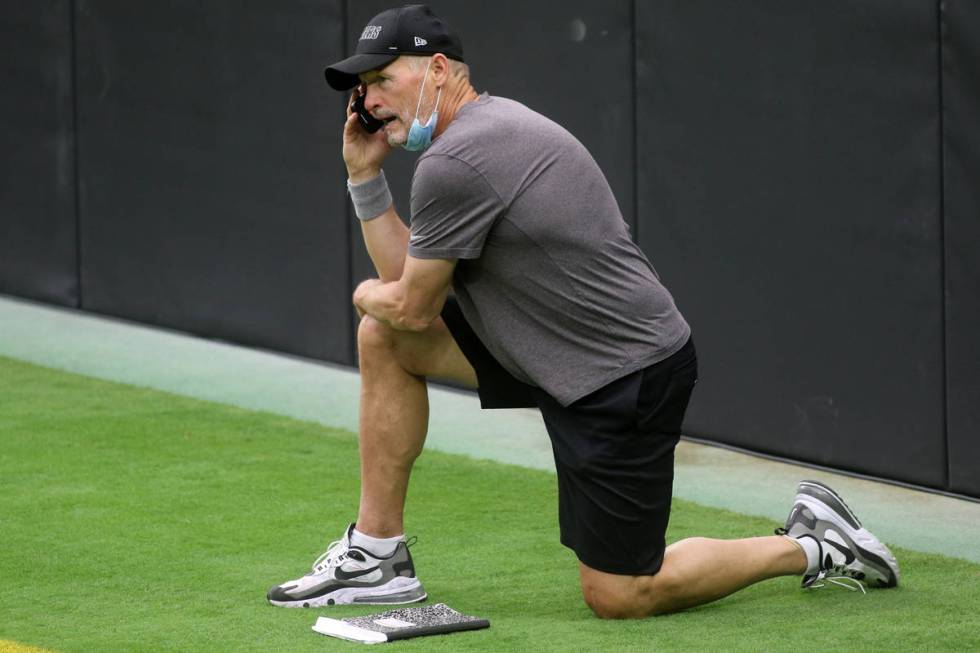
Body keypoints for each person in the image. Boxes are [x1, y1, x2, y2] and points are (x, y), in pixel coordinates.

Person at [267, 4, 900, 617]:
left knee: (621, 594)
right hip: (545, 349)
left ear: (437, 71)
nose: (369, 101)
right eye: (363, 87)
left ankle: (812, 543)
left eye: (382, 79)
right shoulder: (471, 138)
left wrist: (360, 294)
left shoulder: (457, 160)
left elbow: (405, 300)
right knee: (385, 337)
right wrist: (364, 177)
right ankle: (378, 557)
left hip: (623, 376)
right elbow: (403, 297)